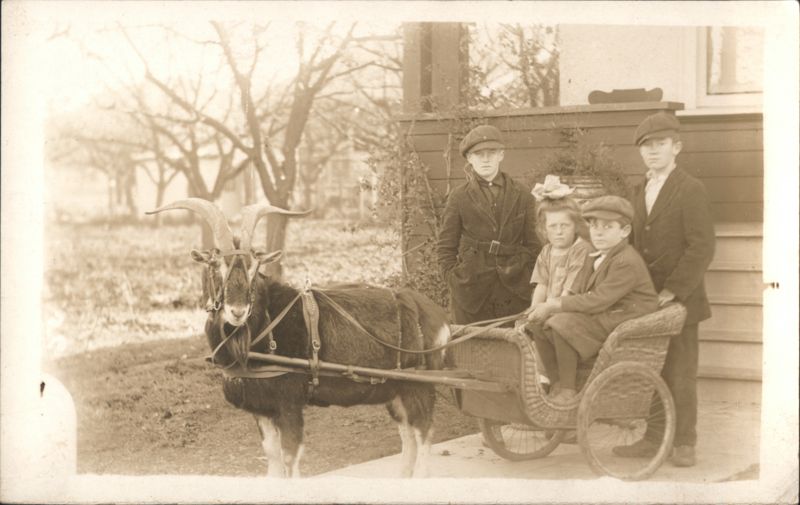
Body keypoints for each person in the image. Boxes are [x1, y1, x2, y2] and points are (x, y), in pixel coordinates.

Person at [613, 112, 715, 468]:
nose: (652, 151)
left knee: (680, 371)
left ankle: (685, 441)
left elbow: (701, 246)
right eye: (646, 146)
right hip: (646, 299)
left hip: (680, 300)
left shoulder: (690, 188)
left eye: (660, 144)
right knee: (652, 367)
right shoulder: (637, 190)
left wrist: (672, 290)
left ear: (677, 147)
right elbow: (632, 243)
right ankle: (654, 438)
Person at [526, 195, 659, 404]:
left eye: (607, 227)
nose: (598, 232)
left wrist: (554, 304)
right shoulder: (602, 255)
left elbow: (598, 300)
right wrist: (544, 308)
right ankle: (556, 381)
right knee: (538, 324)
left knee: (562, 323)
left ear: (625, 231)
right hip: (608, 312)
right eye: (594, 226)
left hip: (625, 317)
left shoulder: (625, 261)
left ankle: (568, 389)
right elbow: (586, 294)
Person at [437, 124, 540, 324]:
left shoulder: (523, 194)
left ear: (501, 155)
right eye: (479, 154)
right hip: (470, 289)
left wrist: (526, 273)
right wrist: (453, 278)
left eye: (491, 153)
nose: (485, 159)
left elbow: (534, 243)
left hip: (515, 287)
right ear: (469, 158)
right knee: (471, 342)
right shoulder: (459, 197)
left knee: (513, 340)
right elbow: (445, 246)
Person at [528, 175, 594, 306]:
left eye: (564, 225)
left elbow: (569, 293)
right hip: (550, 307)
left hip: (570, 307)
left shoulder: (582, 249)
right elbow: (542, 286)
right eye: (553, 226)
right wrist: (533, 310)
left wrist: (546, 310)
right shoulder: (547, 251)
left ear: (575, 225)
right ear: (544, 228)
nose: (559, 232)